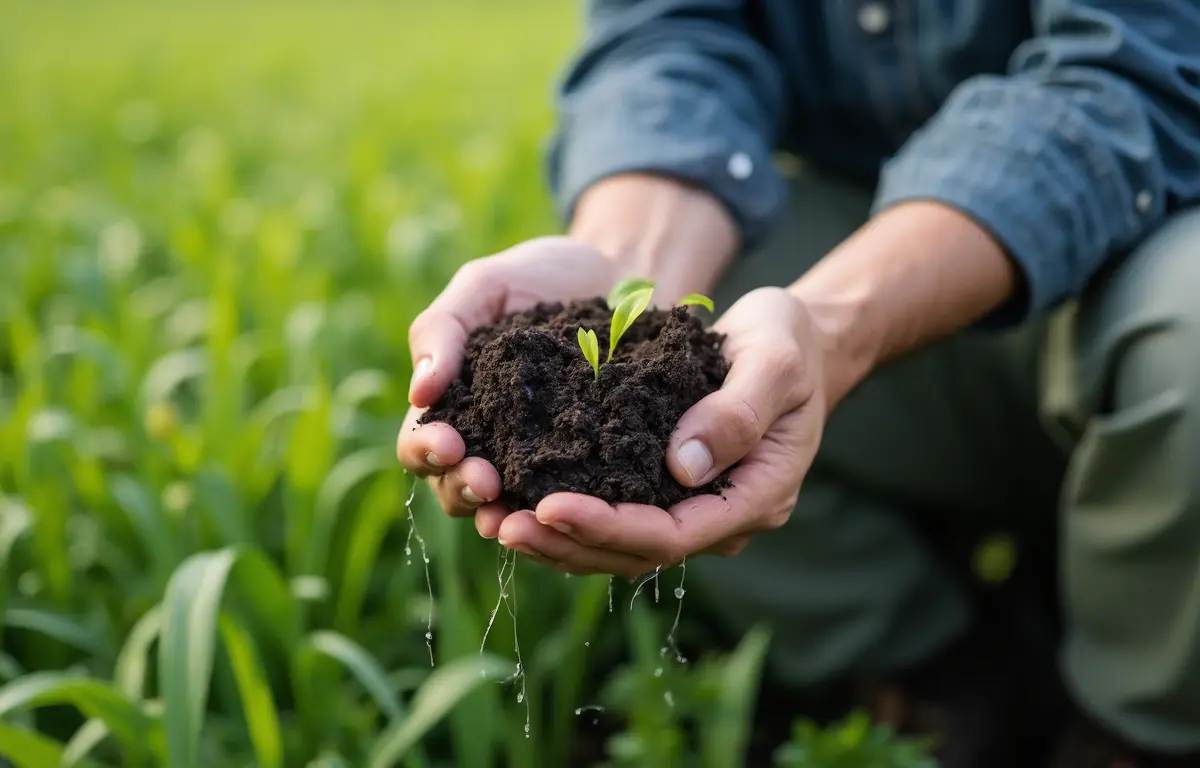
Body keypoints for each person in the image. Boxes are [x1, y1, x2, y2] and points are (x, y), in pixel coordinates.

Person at [397, 1, 1200, 765]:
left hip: (1131, 250)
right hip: (883, 258)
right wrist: (629, 261)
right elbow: (667, 40)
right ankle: (936, 670)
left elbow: (1127, 76)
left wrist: (830, 328)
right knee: (721, 343)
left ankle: (1141, 728)